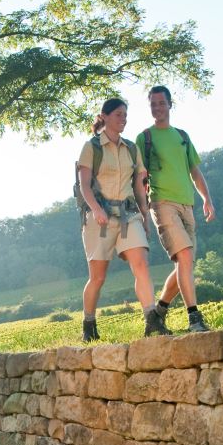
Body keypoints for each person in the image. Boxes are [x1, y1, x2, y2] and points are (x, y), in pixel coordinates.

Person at [77, 97, 169, 342]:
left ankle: (151, 320)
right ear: (104, 117)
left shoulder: (131, 148)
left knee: (141, 264)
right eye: (118, 114)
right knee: (98, 277)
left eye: (125, 115)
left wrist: (145, 215)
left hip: (129, 215)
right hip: (100, 217)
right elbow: (83, 185)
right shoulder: (92, 147)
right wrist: (95, 208)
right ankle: (88, 324)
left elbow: (139, 186)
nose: (123, 119)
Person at [136, 85, 216, 332]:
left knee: (186, 264)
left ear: (170, 104)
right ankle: (194, 318)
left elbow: (194, 170)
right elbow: (139, 178)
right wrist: (143, 212)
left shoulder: (182, 136)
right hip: (161, 203)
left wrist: (207, 198)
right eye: (153, 104)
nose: (157, 108)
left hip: (188, 204)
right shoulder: (144, 138)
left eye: (161, 103)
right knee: (183, 257)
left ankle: (158, 313)